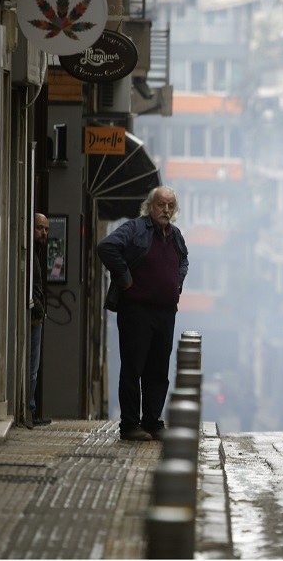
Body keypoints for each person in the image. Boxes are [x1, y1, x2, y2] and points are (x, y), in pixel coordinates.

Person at [97, 186, 188, 442]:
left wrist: (177, 282)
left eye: (171, 206)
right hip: (136, 312)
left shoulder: (175, 235)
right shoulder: (136, 228)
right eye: (161, 205)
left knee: (158, 370)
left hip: (165, 313)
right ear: (150, 206)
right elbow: (106, 247)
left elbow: (184, 260)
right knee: (133, 369)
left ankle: (153, 421)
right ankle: (129, 425)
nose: (166, 210)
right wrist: (125, 279)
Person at [27, 213, 52, 428]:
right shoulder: (29, 253)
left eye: (45, 229)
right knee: (32, 365)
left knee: (34, 365)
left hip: (36, 313)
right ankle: (30, 410)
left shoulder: (36, 252)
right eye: (39, 228)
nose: (43, 232)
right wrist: (37, 311)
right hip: (33, 315)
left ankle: (30, 409)